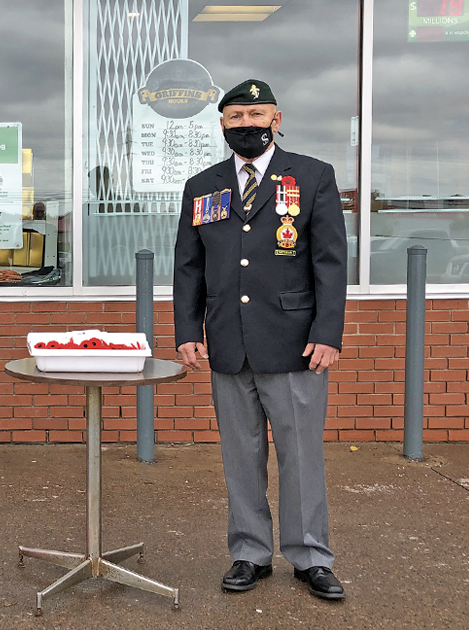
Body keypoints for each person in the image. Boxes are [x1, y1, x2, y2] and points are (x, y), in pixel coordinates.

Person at [172, 79, 348, 601]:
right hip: (228, 342)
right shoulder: (202, 185)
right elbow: (189, 267)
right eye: (235, 118)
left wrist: (327, 332)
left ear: (276, 118)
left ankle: (311, 556)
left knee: (300, 455)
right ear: (222, 124)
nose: (246, 126)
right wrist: (188, 331)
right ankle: (249, 552)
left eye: (256, 116)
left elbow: (330, 263)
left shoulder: (313, 176)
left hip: (296, 343)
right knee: (239, 456)